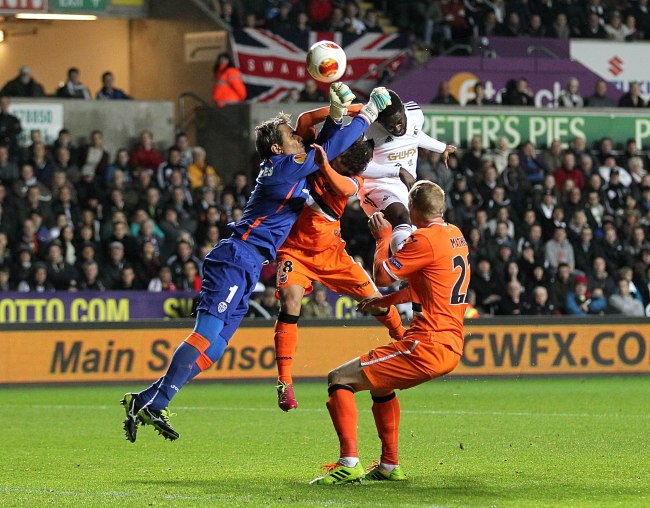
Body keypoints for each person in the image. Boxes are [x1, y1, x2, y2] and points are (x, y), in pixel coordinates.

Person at [120, 83, 393, 443]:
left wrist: (337, 112)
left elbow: (321, 144)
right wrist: (369, 112)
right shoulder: (283, 167)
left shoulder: (288, 167)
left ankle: (144, 399)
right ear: (278, 147)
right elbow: (329, 149)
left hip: (248, 263)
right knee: (204, 334)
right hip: (236, 256)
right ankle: (157, 402)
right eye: (290, 136)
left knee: (216, 346)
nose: (299, 137)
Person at [309, 180, 469, 485]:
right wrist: (386, 302)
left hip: (426, 344)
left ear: (411, 208)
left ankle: (349, 463)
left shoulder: (425, 241)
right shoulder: (455, 236)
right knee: (380, 386)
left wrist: (383, 238)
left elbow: (383, 275)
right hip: (448, 342)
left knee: (339, 379)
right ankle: (389, 465)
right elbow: (427, 286)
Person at [273, 110, 405, 411]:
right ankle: (285, 382)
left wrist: (325, 168)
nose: (337, 162)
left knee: (375, 298)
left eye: (342, 164)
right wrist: (347, 111)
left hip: (332, 253)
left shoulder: (348, 178)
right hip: (295, 251)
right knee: (290, 301)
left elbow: (347, 188)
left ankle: (404, 338)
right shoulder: (322, 147)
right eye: (339, 159)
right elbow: (304, 121)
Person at [359, 89, 456, 255]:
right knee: (402, 218)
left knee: (418, 230)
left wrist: (441, 147)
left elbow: (415, 135)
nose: (397, 128)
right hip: (377, 187)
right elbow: (359, 168)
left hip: (406, 186)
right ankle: (403, 270)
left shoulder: (416, 113)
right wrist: (398, 171)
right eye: (391, 126)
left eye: (400, 121)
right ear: (380, 123)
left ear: (404, 111)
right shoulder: (367, 130)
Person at [0, 96, 22, 162]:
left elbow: (18, 130)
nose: (4, 105)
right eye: (2, 103)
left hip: (12, 150)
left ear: (8, 104)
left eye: (6, 103)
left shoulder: (14, 119)